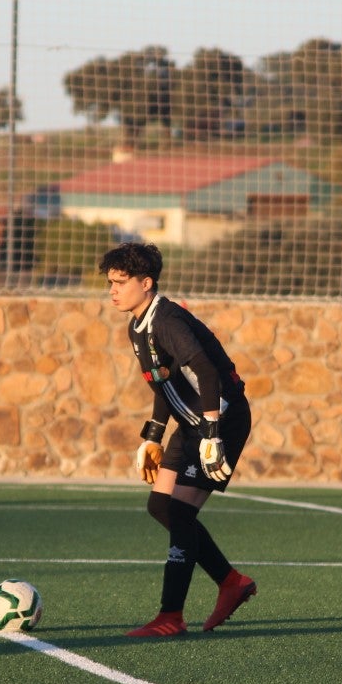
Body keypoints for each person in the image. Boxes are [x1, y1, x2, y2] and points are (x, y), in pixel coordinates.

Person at [99, 241, 257, 637]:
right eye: (110, 283)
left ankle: (171, 615)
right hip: (191, 426)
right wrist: (153, 436)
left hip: (221, 421)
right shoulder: (137, 325)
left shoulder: (167, 321)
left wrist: (211, 433)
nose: (113, 290)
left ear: (146, 283)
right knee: (161, 506)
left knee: (181, 512)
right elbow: (162, 384)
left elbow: (205, 372)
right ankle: (230, 581)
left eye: (120, 282)